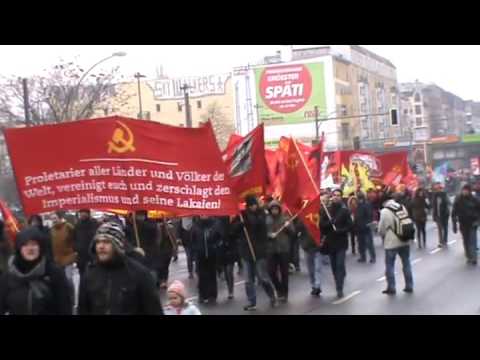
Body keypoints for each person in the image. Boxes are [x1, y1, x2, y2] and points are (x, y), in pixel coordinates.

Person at [78, 222, 163, 315]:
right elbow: (83, 309)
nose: (101, 246)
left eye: (106, 242)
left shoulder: (139, 274)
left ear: (117, 245)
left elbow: (153, 309)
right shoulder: (90, 273)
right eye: (98, 242)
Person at [0, 227, 72, 315]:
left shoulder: (54, 273)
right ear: (19, 248)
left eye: (34, 244)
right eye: (25, 245)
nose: (30, 248)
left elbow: (64, 307)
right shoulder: (9, 275)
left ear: (40, 247)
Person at [231, 194, 276, 311]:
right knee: (248, 279)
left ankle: (272, 295)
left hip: (259, 251)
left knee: (263, 277)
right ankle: (252, 302)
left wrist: (247, 219)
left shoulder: (262, 213)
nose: (253, 207)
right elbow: (233, 230)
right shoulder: (241, 215)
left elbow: (259, 224)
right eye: (250, 205)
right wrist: (240, 224)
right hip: (246, 251)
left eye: (254, 205)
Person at [320, 189, 353, 298]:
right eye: (334, 195)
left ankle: (340, 288)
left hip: (341, 242)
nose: (336, 197)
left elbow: (350, 226)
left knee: (339, 264)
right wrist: (329, 223)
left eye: (338, 195)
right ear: (332, 197)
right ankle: (338, 280)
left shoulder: (344, 210)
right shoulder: (327, 210)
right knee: (334, 266)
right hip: (331, 242)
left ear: (341, 197)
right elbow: (321, 226)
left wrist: (341, 230)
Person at [378, 195, 414, 295]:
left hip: (391, 242)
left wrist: (381, 234)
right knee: (406, 263)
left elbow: (381, 229)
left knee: (390, 265)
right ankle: (409, 285)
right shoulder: (402, 207)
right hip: (404, 239)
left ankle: (391, 287)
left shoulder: (384, 211)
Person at [266, 200, 295, 303]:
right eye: (273, 209)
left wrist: (288, 227)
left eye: (276, 209)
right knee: (271, 272)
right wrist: (269, 235)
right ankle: (278, 289)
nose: (274, 211)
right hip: (271, 250)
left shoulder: (285, 218)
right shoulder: (266, 219)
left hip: (283, 249)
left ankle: (285, 293)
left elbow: (293, 233)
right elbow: (262, 233)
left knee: (284, 273)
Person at [191, 216, 222, 304]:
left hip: (212, 255)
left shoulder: (215, 225)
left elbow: (220, 238)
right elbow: (192, 240)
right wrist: (196, 250)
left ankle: (212, 295)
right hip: (200, 255)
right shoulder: (195, 226)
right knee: (201, 276)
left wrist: (216, 246)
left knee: (212, 275)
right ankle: (202, 295)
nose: (203, 215)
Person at [126, 210, 160, 286]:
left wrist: (137, 222)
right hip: (136, 255)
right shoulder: (129, 226)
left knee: (151, 273)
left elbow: (152, 231)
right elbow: (126, 240)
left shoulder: (151, 223)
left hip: (149, 254)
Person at [452, 184, 480, 265]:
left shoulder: (474, 199)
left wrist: (477, 221)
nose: (465, 192)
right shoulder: (458, 200)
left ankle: (474, 258)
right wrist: (454, 225)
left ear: (469, 191)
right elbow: (454, 212)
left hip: (472, 223)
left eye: (466, 190)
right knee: (466, 241)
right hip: (463, 224)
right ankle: (468, 256)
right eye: (464, 190)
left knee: (472, 241)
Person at [297, 218, 322, 296]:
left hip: (317, 247)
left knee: (318, 268)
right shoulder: (302, 219)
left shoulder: (318, 217)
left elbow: (324, 228)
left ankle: (318, 286)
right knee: (310, 268)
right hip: (307, 247)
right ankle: (313, 285)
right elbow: (297, 230)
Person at [72, 209, 99, 275]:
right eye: (81, 213)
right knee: (82, 276)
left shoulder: (94, 223)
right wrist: (76, 248)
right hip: (81, 256)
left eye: (85, 212)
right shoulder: (77, 225)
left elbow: (98, 236)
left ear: (88, 213)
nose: (83, 214)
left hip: (92, 255)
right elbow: (74, 238)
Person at [218, 216, 238, 300]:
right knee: (226, 272)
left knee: (229, 271)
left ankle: (231, 291)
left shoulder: (233, 223)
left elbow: (235, 234)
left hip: (231, 249)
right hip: (221, 250)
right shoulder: (218, 223)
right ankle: (230, 289)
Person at [156, 218, 177, 289]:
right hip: (165, 250)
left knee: (162, 267)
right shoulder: (169, 227)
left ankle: (162, 281)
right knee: (164, 267)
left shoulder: (168, 228)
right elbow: (174, 240)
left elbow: (173, 239)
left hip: (163, 250)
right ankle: (163, 281)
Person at [355, 192, 376, 263]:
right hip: (359, 228)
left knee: (369, 243)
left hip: (366, 227)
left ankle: (372, 257)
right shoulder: (358, 205)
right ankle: (363, 257)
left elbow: (369, 215)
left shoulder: (366, 205)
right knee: (361, 244)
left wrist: (367, 224)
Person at [432, 183, 450, 248]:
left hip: (445, 215)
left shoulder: (445, 195)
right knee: (439, 229)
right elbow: (434, 206)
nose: (439, 190)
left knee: (445, 228)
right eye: (437, 189)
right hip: (438, 215)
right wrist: (434, 215)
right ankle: (440, 242)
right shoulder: (435, 196)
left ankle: (445, 240)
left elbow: (449, 203)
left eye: (440, 188)